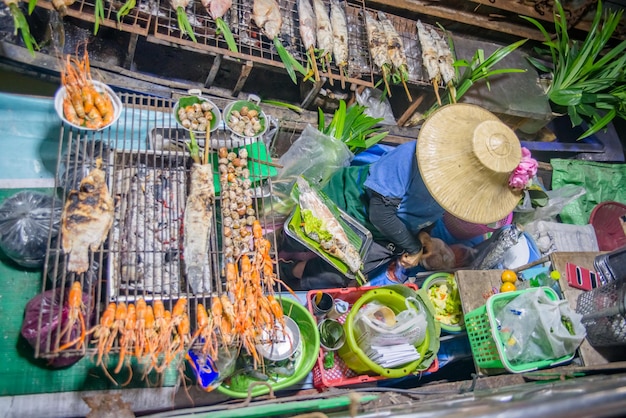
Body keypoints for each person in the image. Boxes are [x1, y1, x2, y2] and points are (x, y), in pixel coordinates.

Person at [280, 103, 530, 290]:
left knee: (344, 275)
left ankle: (294, 274)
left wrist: (423, 236)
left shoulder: (455, 193)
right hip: (353, 207)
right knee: (309, 247)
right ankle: (284, 265)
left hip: (388, 231)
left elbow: (425, 214)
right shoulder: (412, 157)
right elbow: (379, 212)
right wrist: (412, 246)